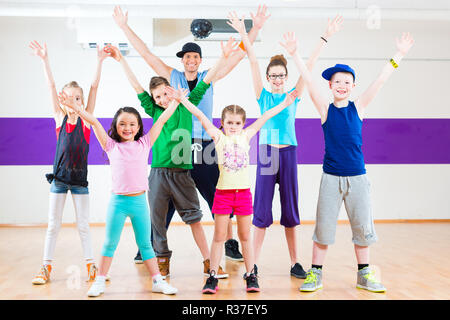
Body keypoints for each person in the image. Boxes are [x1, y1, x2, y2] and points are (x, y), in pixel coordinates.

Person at [112, 5, 271, 262]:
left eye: (195, 57)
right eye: (186, 57)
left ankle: (229, 243)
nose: (190, 60)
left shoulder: (209, 77)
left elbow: (237, 56)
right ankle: (150, 245)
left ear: (199, 60)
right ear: (182, 60)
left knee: (217, 196)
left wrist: (256, 28)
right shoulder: (172, 78)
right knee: (167, 201)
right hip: (178, 149)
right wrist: (124, 27)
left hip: (207, 145)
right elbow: (147, 54)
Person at [279, 31, 414, 292]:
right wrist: (295, 54)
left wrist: (399, 54)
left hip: (358, 179)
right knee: (324, 228)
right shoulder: (325, 110)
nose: (341, 85)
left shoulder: (359, 107)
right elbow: (307, 79)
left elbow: (381, 80)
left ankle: (364, 275)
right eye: (337, 81)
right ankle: (315, 274)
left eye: (347, 82)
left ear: (352, 86)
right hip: (331, 178)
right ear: (330, 86)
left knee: (363, 228)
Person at [105, 38, 240, 279]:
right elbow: (136, 85)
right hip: (158, 173)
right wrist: (121, 59)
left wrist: (222, 57)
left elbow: (206, 80)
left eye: (163, 95)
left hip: (182, 174)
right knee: (158, 222)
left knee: (194, 219)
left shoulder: (187, 106)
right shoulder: (154, 111)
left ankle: (210, 261)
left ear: (171, 90)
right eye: (156, 98)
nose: (161, 100)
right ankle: (162, 259)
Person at [228, 13, 344, 279]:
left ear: (286, 76)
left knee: (291, 212)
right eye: (274, 76)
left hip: (289, 154)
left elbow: (310, 64)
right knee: (261, 214)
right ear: (268, 78)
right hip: (268, 154)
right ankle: (252, 265)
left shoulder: (294, 95)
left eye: (281, 75)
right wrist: (245, 33)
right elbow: (253, 59)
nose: (278, 79)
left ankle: (295, 263)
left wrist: (325, 36)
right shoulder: (263, 95)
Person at [169, 79, 299, 293]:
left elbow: (266, 115)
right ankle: (212, 276)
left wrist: (286, 103)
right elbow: (200, 116)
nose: (233, 126)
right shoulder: (218, 137)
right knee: (219, 236)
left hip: (243, 195)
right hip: (223, 194)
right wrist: (183, 100)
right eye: (229, 122)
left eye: (237, 123)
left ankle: (251, 275)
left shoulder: (246, 136)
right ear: (223, 123)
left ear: (243, 124)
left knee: (246, 236)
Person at [58, 89, 178, 297]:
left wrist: (176, 102)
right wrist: (77, 108)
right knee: (109, 243)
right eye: (122, 124)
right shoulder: (110, 145)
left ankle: (157, 281)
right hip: (118, 203)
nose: (127, 128)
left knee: (146, 245)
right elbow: (94, 122)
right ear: (115, 126)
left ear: (139, 127)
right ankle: (100, 280)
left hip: (140, 202)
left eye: (132, 124)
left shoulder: (145, 143)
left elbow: (160, 121)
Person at [29, 41, 107, 285]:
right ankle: (45, 267)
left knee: (83, 226)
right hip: (60, 181)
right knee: (53, 225)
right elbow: (51, 86)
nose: (74, 101)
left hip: (80, 181)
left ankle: (91, 267)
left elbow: (94, 87)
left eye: (78, 98)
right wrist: (44, 60)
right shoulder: (59, 119)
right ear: (62, 101)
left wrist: (100, 61)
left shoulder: (86, 122)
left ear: (82, 102)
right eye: (69, 98)